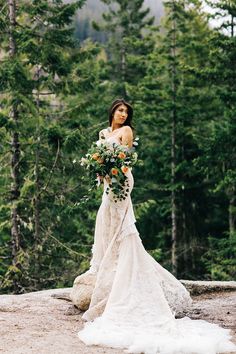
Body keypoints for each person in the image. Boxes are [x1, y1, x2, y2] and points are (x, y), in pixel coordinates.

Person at [77, 98, 236, 354]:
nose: (122, 115)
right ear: (112, 112)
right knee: (104, 220)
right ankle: (108, 266)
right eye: (119, 110)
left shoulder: (126, 132)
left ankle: (121, 272)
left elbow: (127, 161)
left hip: (121, 182)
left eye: (125, 112)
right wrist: (100, 170)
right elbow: (101, 158)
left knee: (121, 226)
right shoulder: (105, 133)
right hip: (108, 183)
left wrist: (114, 171)